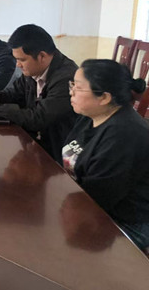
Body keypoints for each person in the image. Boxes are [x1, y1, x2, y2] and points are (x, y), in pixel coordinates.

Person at [62, 59, 149, 253]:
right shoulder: (91, 116)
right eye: (72, 85)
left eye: (78, 87)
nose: (71, 92)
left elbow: (99, 198)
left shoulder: (123, 135)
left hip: (126, 221)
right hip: (88, 206)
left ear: (104, 97)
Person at [0, 24, 78, 161]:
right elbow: (13, 93)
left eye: (21, 60)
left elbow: (38, 118)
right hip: (32, 144)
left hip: (56, 155)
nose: (17, 65)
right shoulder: (34, 69)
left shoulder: (66, 78)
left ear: (42, 56)